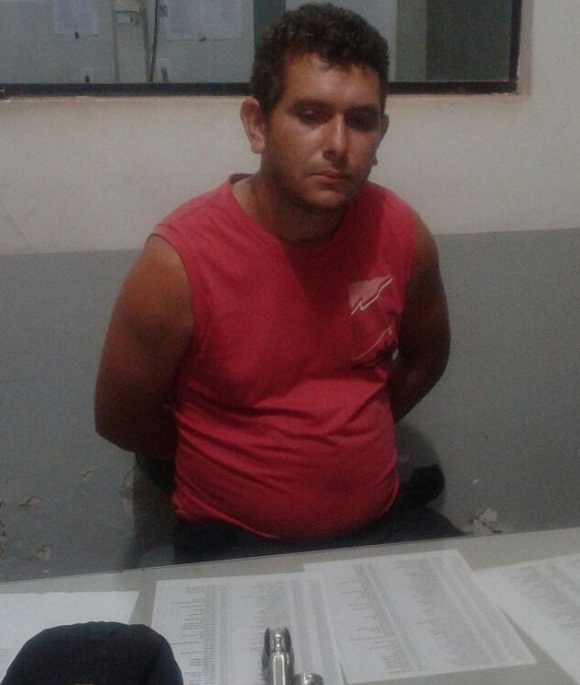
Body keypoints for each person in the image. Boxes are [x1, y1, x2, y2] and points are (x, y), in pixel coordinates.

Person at [95, 3, 457, 562]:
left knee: (482, 600)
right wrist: (232, 458)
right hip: (232, 541)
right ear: (258, 125)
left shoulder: (402, 233)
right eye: (311, 115)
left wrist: (343, 434)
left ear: (381, 133)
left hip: (379, 525)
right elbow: (121, 418)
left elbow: (427, 357)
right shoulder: (179, 262)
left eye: (361, 121)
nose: (338, 144)